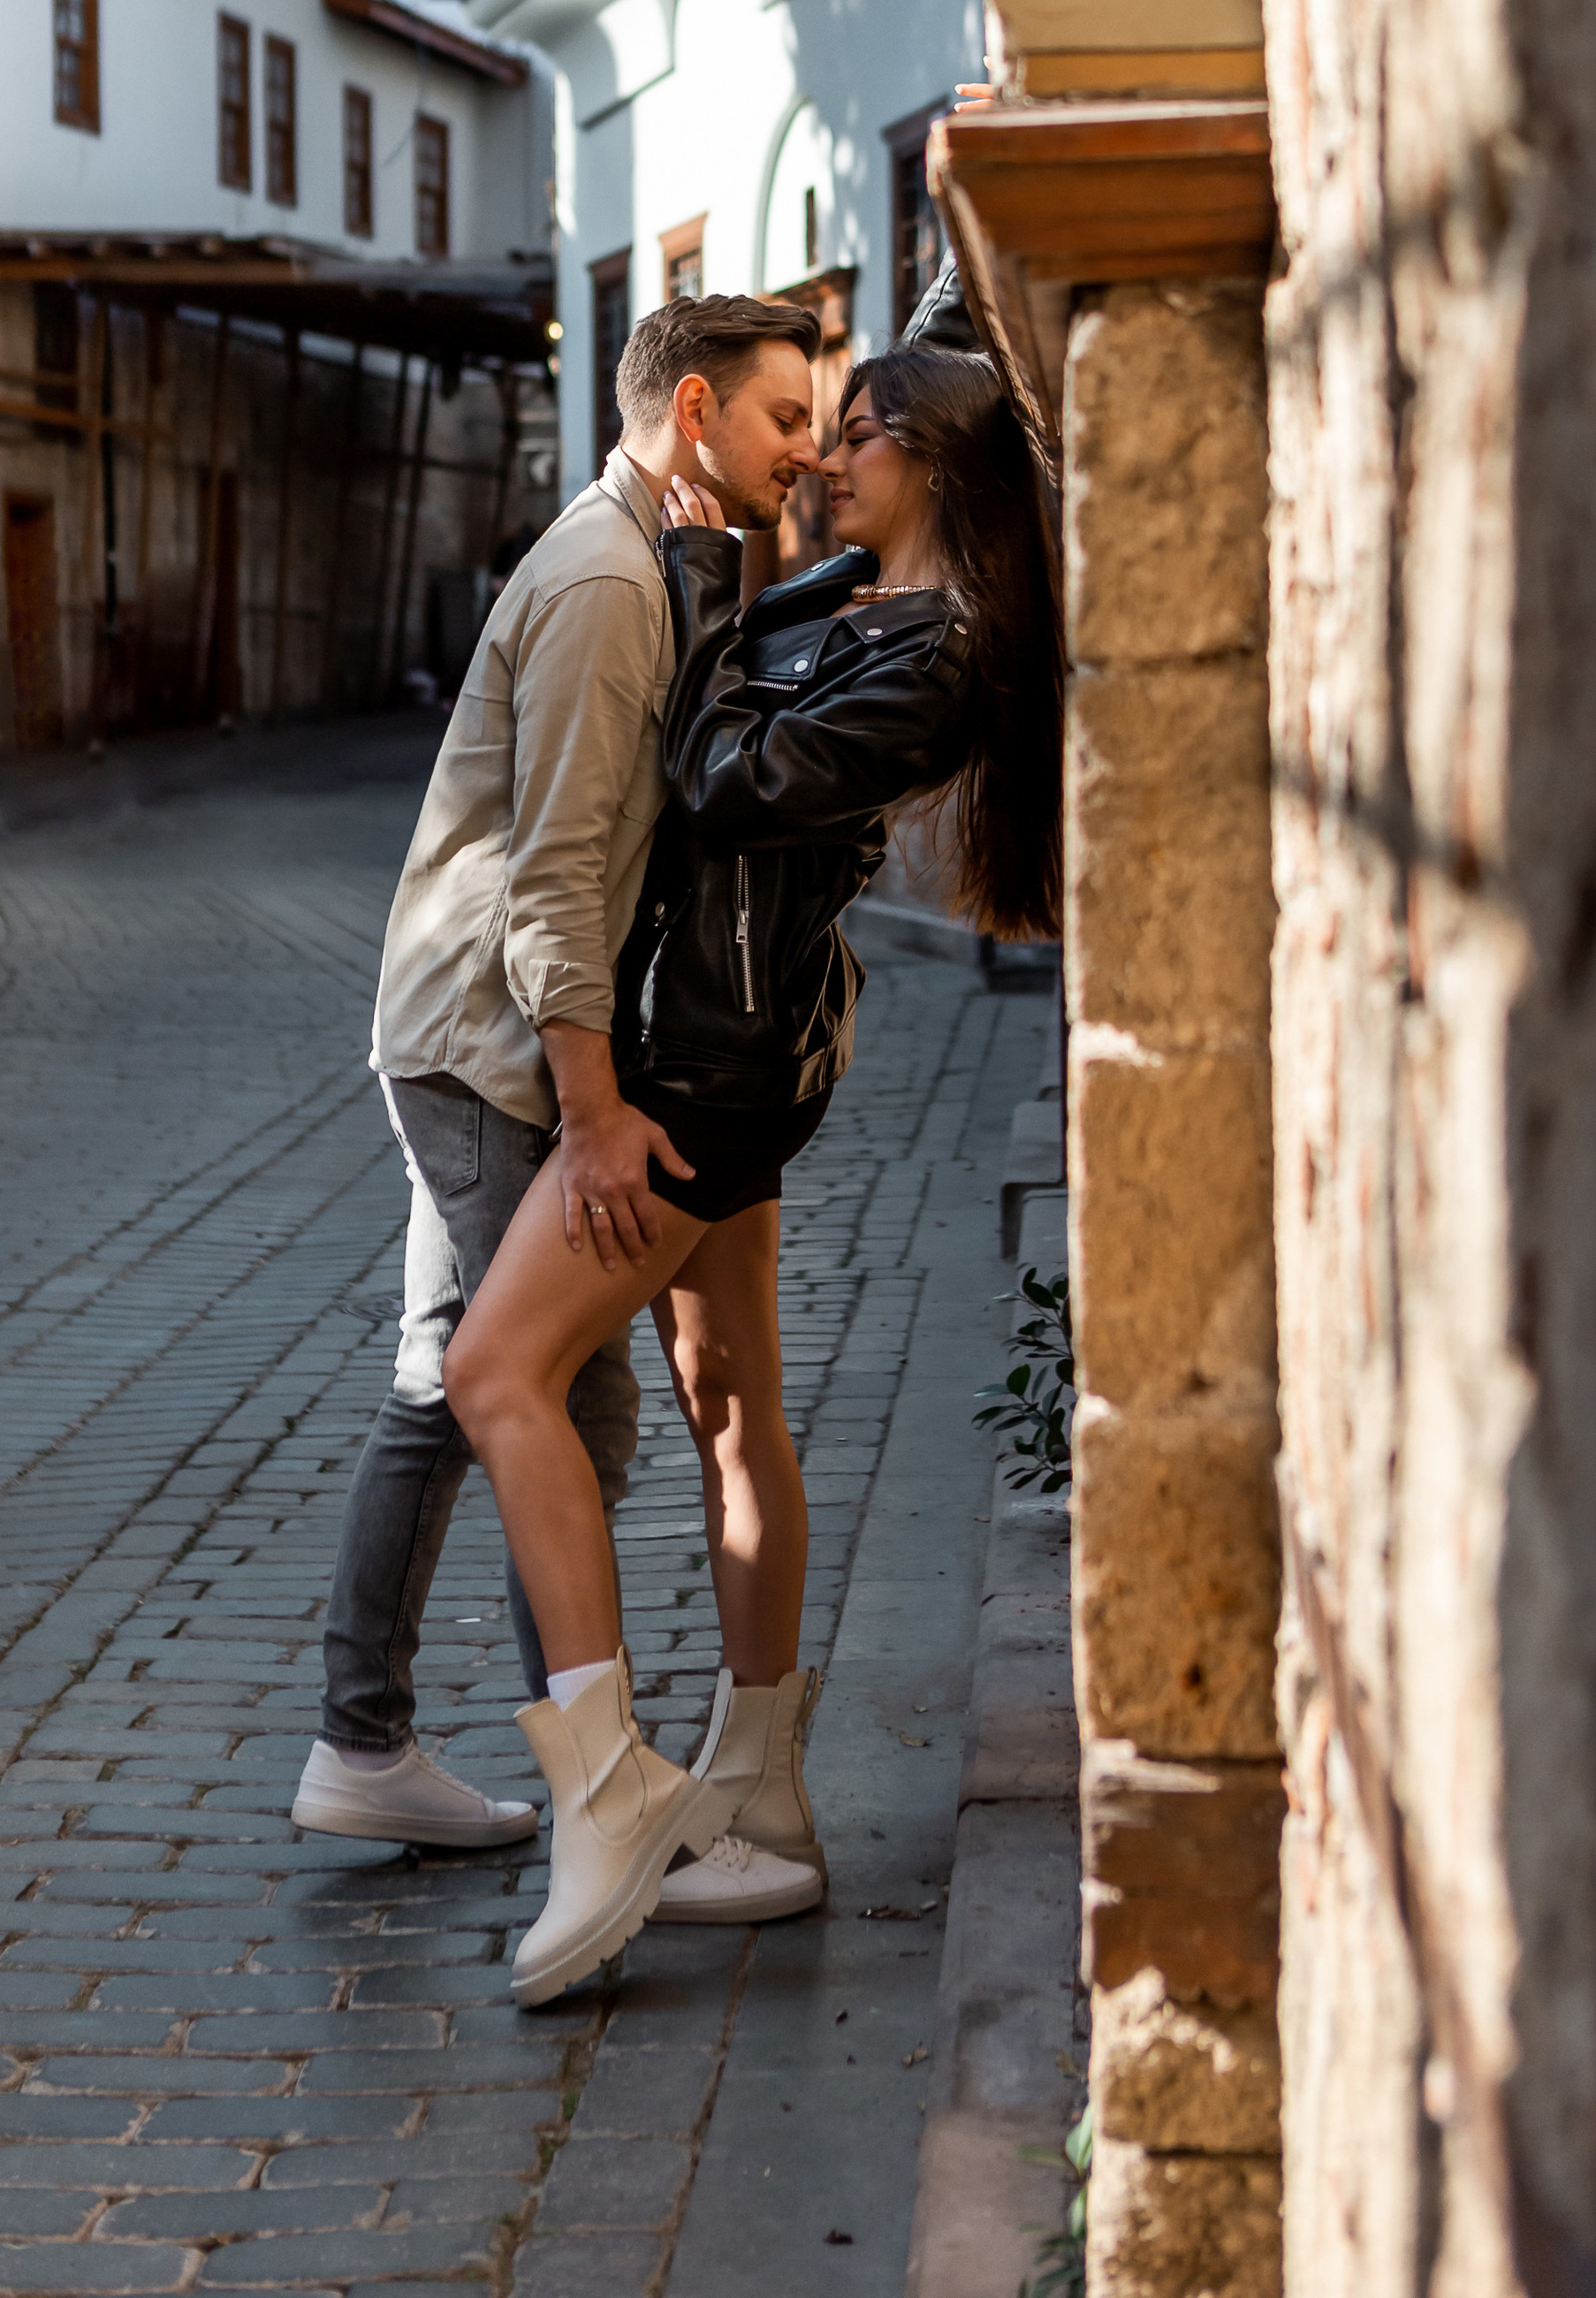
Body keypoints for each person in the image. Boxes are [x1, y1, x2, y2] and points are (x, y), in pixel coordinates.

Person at [443, 341, 1065, 2004]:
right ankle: (765, 1797)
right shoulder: (867, 599)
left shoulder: (934, 655)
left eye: (856, 434)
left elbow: (720, 778)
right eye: (823, 428)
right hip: (733, 1048)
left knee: (494, 1370)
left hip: (709, 1080)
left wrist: (710, 571)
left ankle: (608, 1788)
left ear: (938, 460)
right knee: (730, 1403)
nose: (827, 461)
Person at [291, 295, 824, 1851]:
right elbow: (557, 876)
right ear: (701, 411)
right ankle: (600, 1799)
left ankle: (370, 1742)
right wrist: (595, 1114)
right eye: (789, 415)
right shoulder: (607, 582)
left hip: (474, 1037)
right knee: (547, 1400)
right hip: (492, 1051)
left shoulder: (641, 555)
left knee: (451, 1376)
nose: (805, 446)